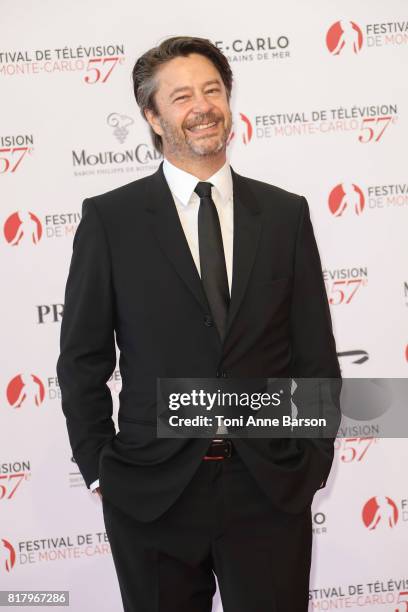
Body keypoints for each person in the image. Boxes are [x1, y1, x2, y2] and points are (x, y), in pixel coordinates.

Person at [57, 36, 341, 612]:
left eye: (212, 90)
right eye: (181, 96)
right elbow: (82, 361)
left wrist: (310, 457)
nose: (202, 106)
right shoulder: (110, 220)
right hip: (152, 492)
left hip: (267, 488)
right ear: (154, 117)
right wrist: (100, 470)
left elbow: (314, 353)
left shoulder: (286, 214)